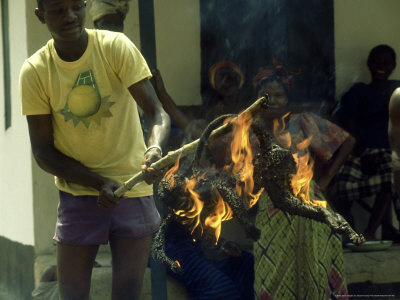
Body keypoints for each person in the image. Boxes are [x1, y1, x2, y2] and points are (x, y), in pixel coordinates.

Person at [20, 1, 170, 299]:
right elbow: (43, 153)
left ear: (86, 6)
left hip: (132, 187)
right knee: (73, 294)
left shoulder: (115, 47)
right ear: (41, 16)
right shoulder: (36, 71)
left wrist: (154, 149)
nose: (70, 17)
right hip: (79, 193)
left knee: (127, 293)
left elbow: (158, 114)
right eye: (58, 11)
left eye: (76, 7)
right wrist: (97, 183)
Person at [252, 59, 353, 299]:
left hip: (311, 201)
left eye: (278, 95)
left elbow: (348, 141)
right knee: (273, 271)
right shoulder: (249, 131)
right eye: (266, 95)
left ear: (287, 100)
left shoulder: (304, 122)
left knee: (315, 263)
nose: (272, 100)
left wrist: (326, 178)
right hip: (271, 207)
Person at [151, 66, 255, 299]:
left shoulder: (230, 175)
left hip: (203, 245)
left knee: (248, 267)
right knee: (221, 290)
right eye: (216, 135)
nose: (222, 143)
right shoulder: (188, 167)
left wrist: (221, 244)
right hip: (171, 245)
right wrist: (159, 89)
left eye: (229, 138)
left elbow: (210, 226)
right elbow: (176, 219)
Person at [332, 44, 400, 241]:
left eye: (387, 62)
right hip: (361, 152)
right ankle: (350, 230)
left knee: (391, 177)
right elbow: (348, 125)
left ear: (393, 66)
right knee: (338, 189)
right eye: (377, 61)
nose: (381, 66)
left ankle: (370, 233)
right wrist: (363, 154)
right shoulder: (359, 91)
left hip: (392, 152)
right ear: (370, 64)